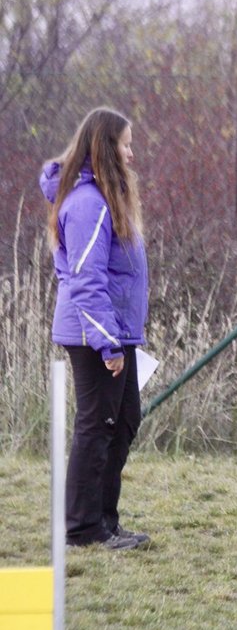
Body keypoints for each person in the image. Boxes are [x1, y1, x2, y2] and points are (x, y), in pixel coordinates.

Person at [40, 107, 151, 550]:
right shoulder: (88, 204)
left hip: (114, 331)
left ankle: (104, 520)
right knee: (97, 424)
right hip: (95, 335)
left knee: (123, 419)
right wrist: (108, 344)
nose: (131, 152)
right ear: (105, 147)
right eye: (125, 144)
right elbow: (87, 283)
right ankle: (84, 529)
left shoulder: (103, 198)